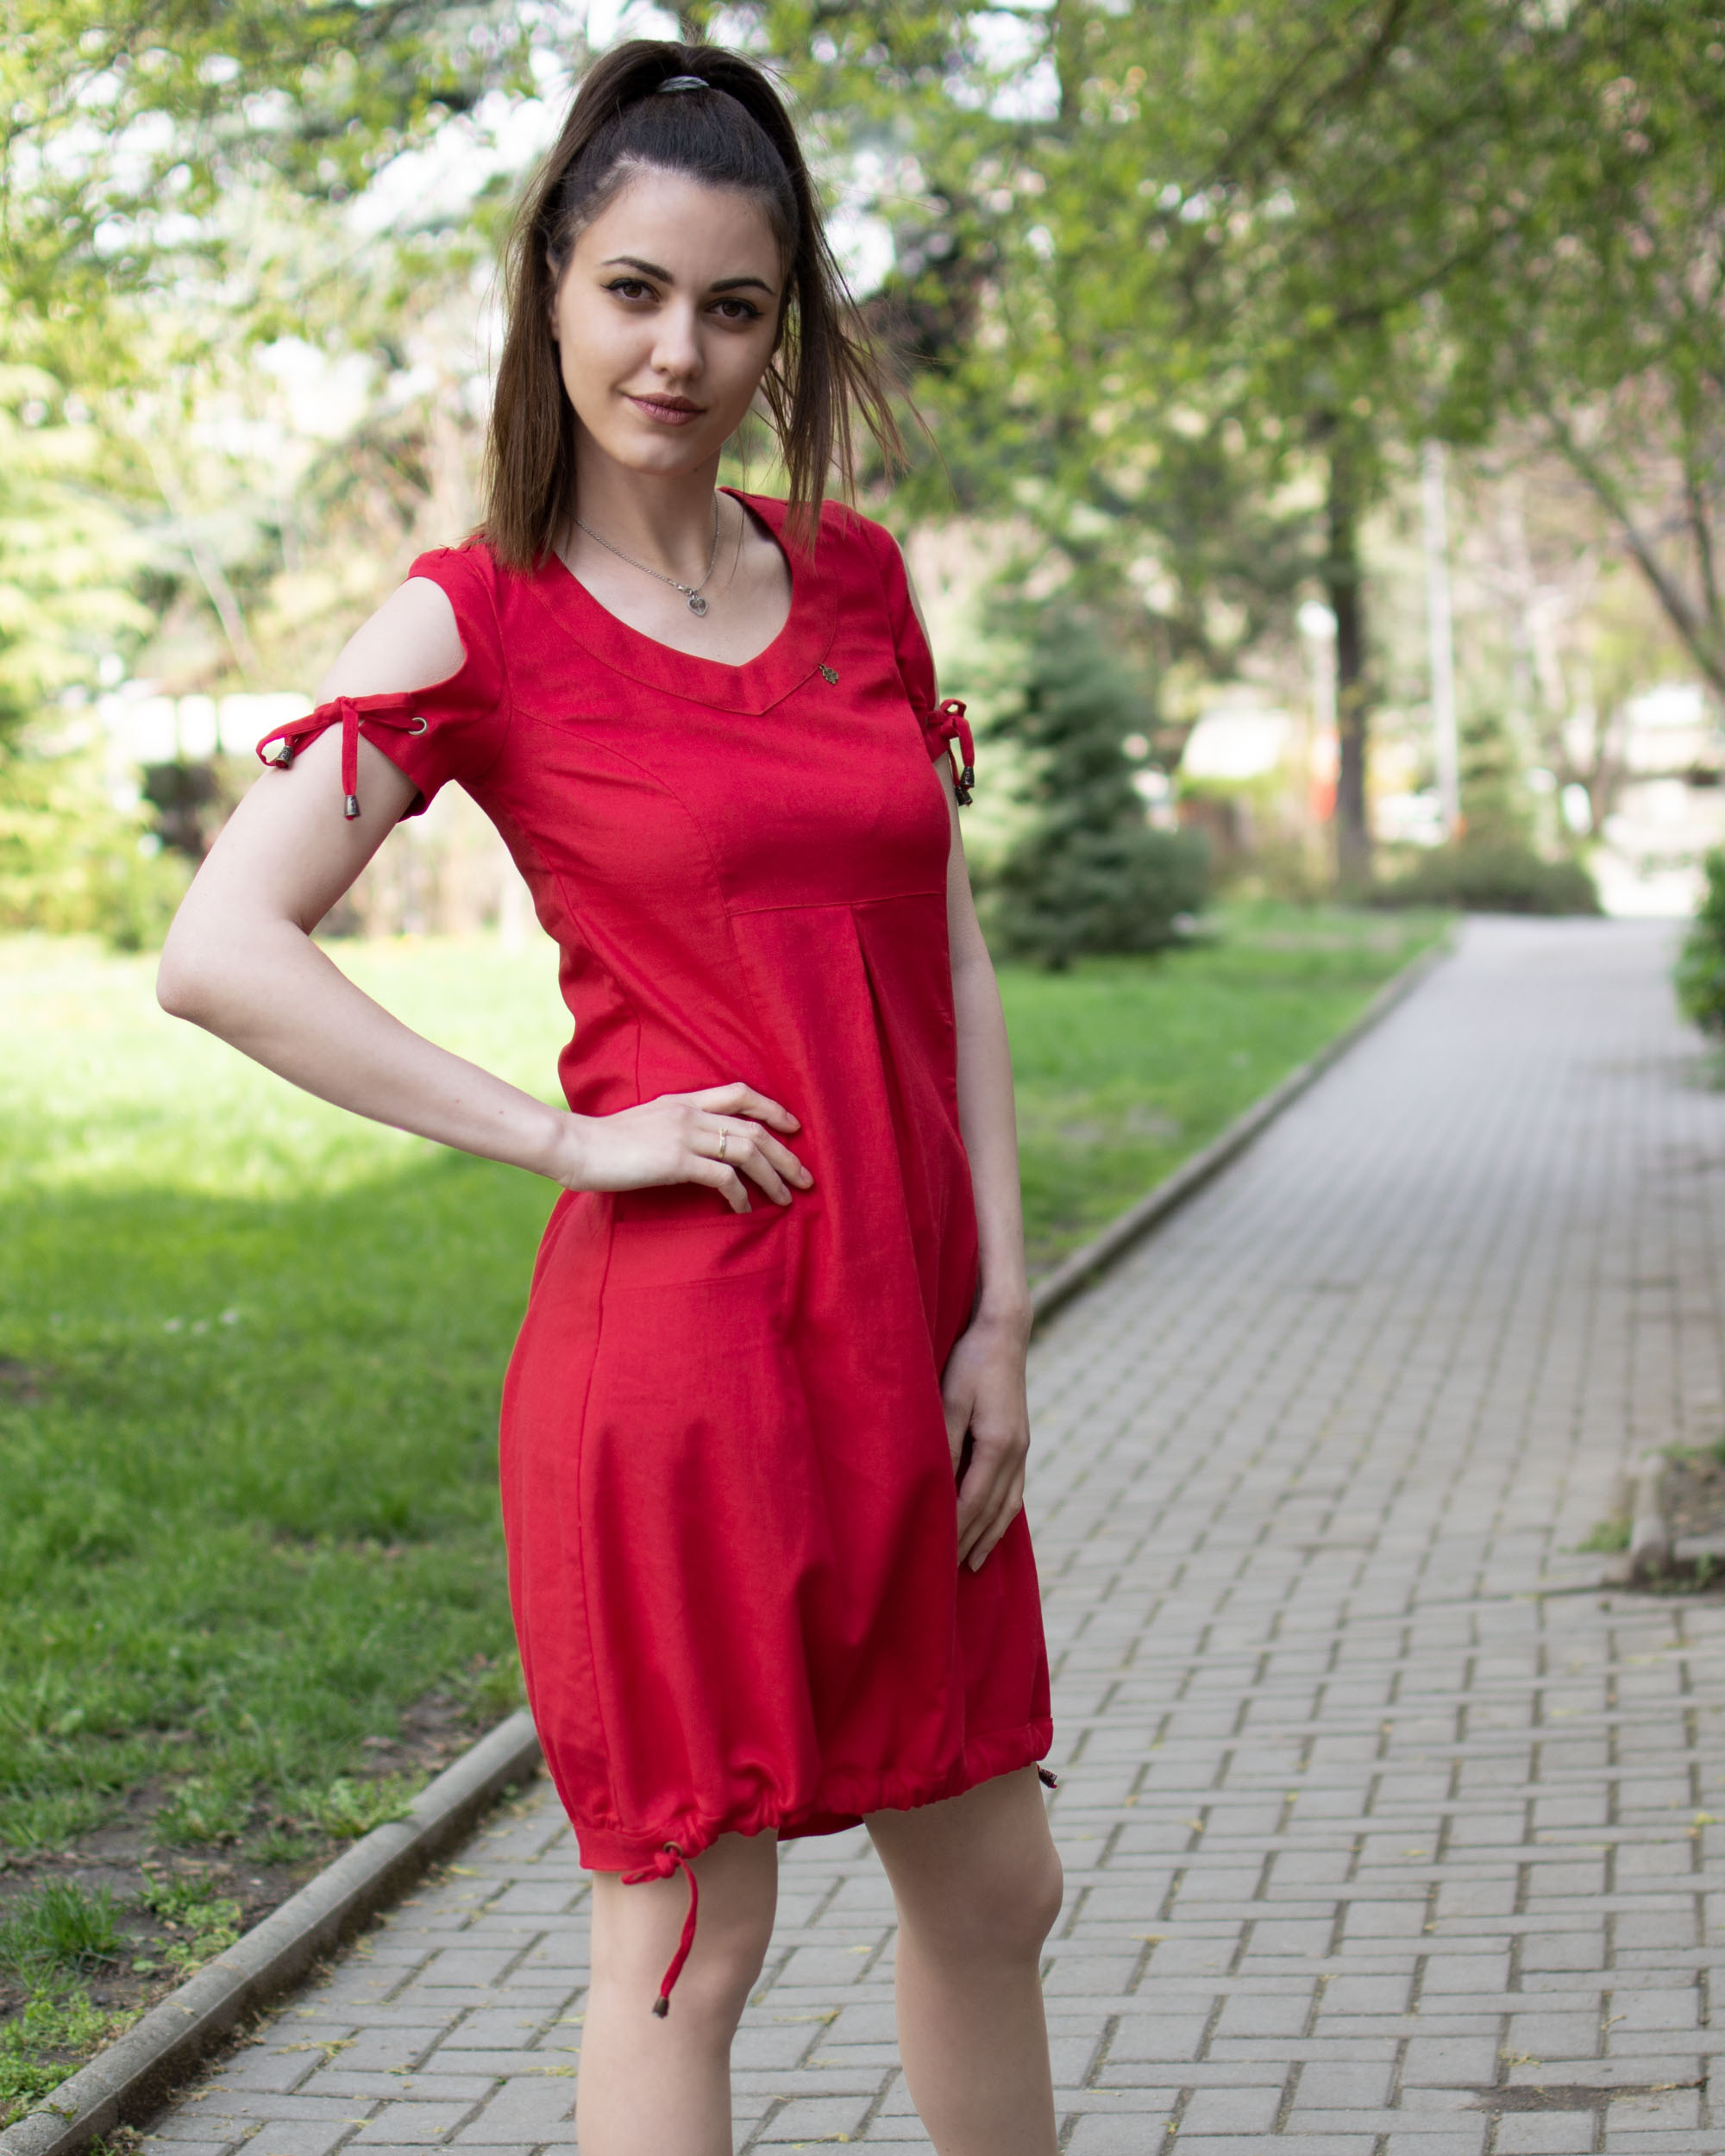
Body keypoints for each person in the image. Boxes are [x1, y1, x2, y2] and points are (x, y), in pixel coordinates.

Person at [157, 41, 1061, 2156]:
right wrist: (567, 1136)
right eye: (635, 291)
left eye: (734, 306)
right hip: (685, 1360)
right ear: (552, 287)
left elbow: (948, 954)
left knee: (997, 1883)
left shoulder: (858, 582)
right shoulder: (475, 614)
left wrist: (1003, 1311)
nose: (679, 352)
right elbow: (220, 948)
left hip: (910, 1336)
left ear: (783, 325)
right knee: (689, 1938)